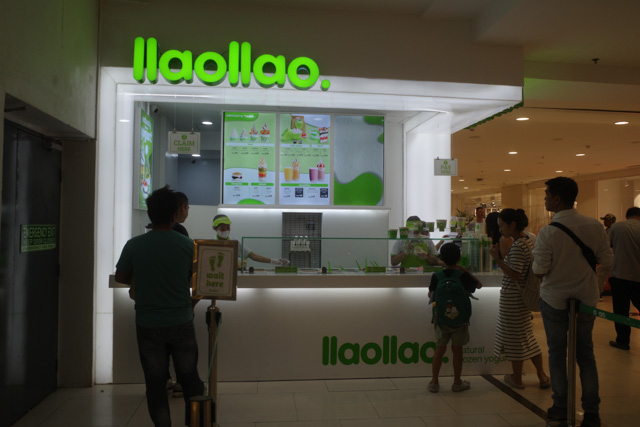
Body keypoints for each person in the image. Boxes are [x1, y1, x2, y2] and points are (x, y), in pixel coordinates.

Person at [115, 186, 204, 427]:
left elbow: (121, 277)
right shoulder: (189, 246)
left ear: (150, 214)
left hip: (147, 324)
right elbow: (202, 282)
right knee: (190, 379)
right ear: (175, 213)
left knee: (155, 384)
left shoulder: (134, 245)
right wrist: (191, 304)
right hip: (181, 321)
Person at [532, 177, 612, 427]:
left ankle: (561, 406)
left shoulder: (548, 232)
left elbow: (539, 270)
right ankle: (592, 412)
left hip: (554, 299)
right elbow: (607, 260)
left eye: (547, 194)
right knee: (585, 354)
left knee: (557, 353)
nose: (545, 198)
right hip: (586, 299)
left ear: (557, 199)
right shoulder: (594, 226)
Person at [490, 209, 550, 389]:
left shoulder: (518, 246)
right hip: (520, 298)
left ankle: (517, 378)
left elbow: (515, 274)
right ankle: (541, 375)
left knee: (514, 340)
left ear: (512, 225)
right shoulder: (527, 242)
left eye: (502, 225)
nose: (500, 229)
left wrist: (498, 260)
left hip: (513, 299)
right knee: (526, 337)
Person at [428, 243, 482, 393]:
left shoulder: (437, 276)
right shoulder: (462, 276)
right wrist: (464, 270)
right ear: (459, 258)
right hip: (460, 320)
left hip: (441, 320)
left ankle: (434, 382)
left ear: (441, 259)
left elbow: (430, 295)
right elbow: (478, 285)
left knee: (439, 350)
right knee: (457, 351)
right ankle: (457, 382)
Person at [607, 206, 640, 351]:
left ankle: (622, 341)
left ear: (627, 216)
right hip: (638, 276)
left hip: (619, 275)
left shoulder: (617, 227)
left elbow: (609, 245)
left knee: (621, 311)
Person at [212, 214, 290, 266]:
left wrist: (273, 261)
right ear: (215, 229)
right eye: (222, 228)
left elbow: (254, 256)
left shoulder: (236, 242)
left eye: (228, 227)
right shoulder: (210, 242)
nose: (226, 230)